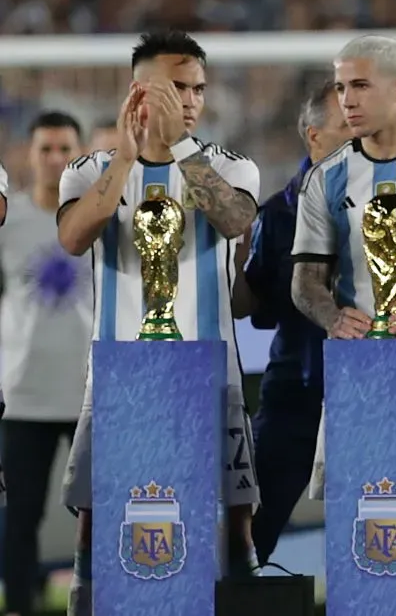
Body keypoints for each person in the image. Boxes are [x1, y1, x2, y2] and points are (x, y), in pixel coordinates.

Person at [56, 31, 262, 615]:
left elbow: (233, 221)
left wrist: (179, 148)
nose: (191, 100)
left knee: (233, 526)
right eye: (177, 88)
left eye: (198, 88)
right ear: (138, 91)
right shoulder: (89, 169)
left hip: (211, 374)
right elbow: (73, 239)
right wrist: (127, 155)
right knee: (96, 523)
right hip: (120, 375)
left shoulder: (229, 165)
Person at [290, 36, 396, 500]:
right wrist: (333, 317)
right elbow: (306, 279)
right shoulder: (326, 177)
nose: (347, 100)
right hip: (361, 366)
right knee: (359, 504)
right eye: (342, 87)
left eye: (361, 85)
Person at [233, 80, 352, 565]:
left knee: (388, 521)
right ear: (314, 136)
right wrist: (233, 259)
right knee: (251, 530)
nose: (360, 138)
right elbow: (248, 304)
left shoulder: (395, 200)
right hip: (297, 394)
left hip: (379, 390)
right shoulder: (278, 215)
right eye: (347, 127)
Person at [0, 112, 89, 616]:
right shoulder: (8, 221)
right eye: (46, 149)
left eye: (64, 149)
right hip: (24, 396)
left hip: (87, 392)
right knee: (20, 517)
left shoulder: (100, 216)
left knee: (97, 514)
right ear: (28, 155)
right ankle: (18, 606)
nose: (55, 159)